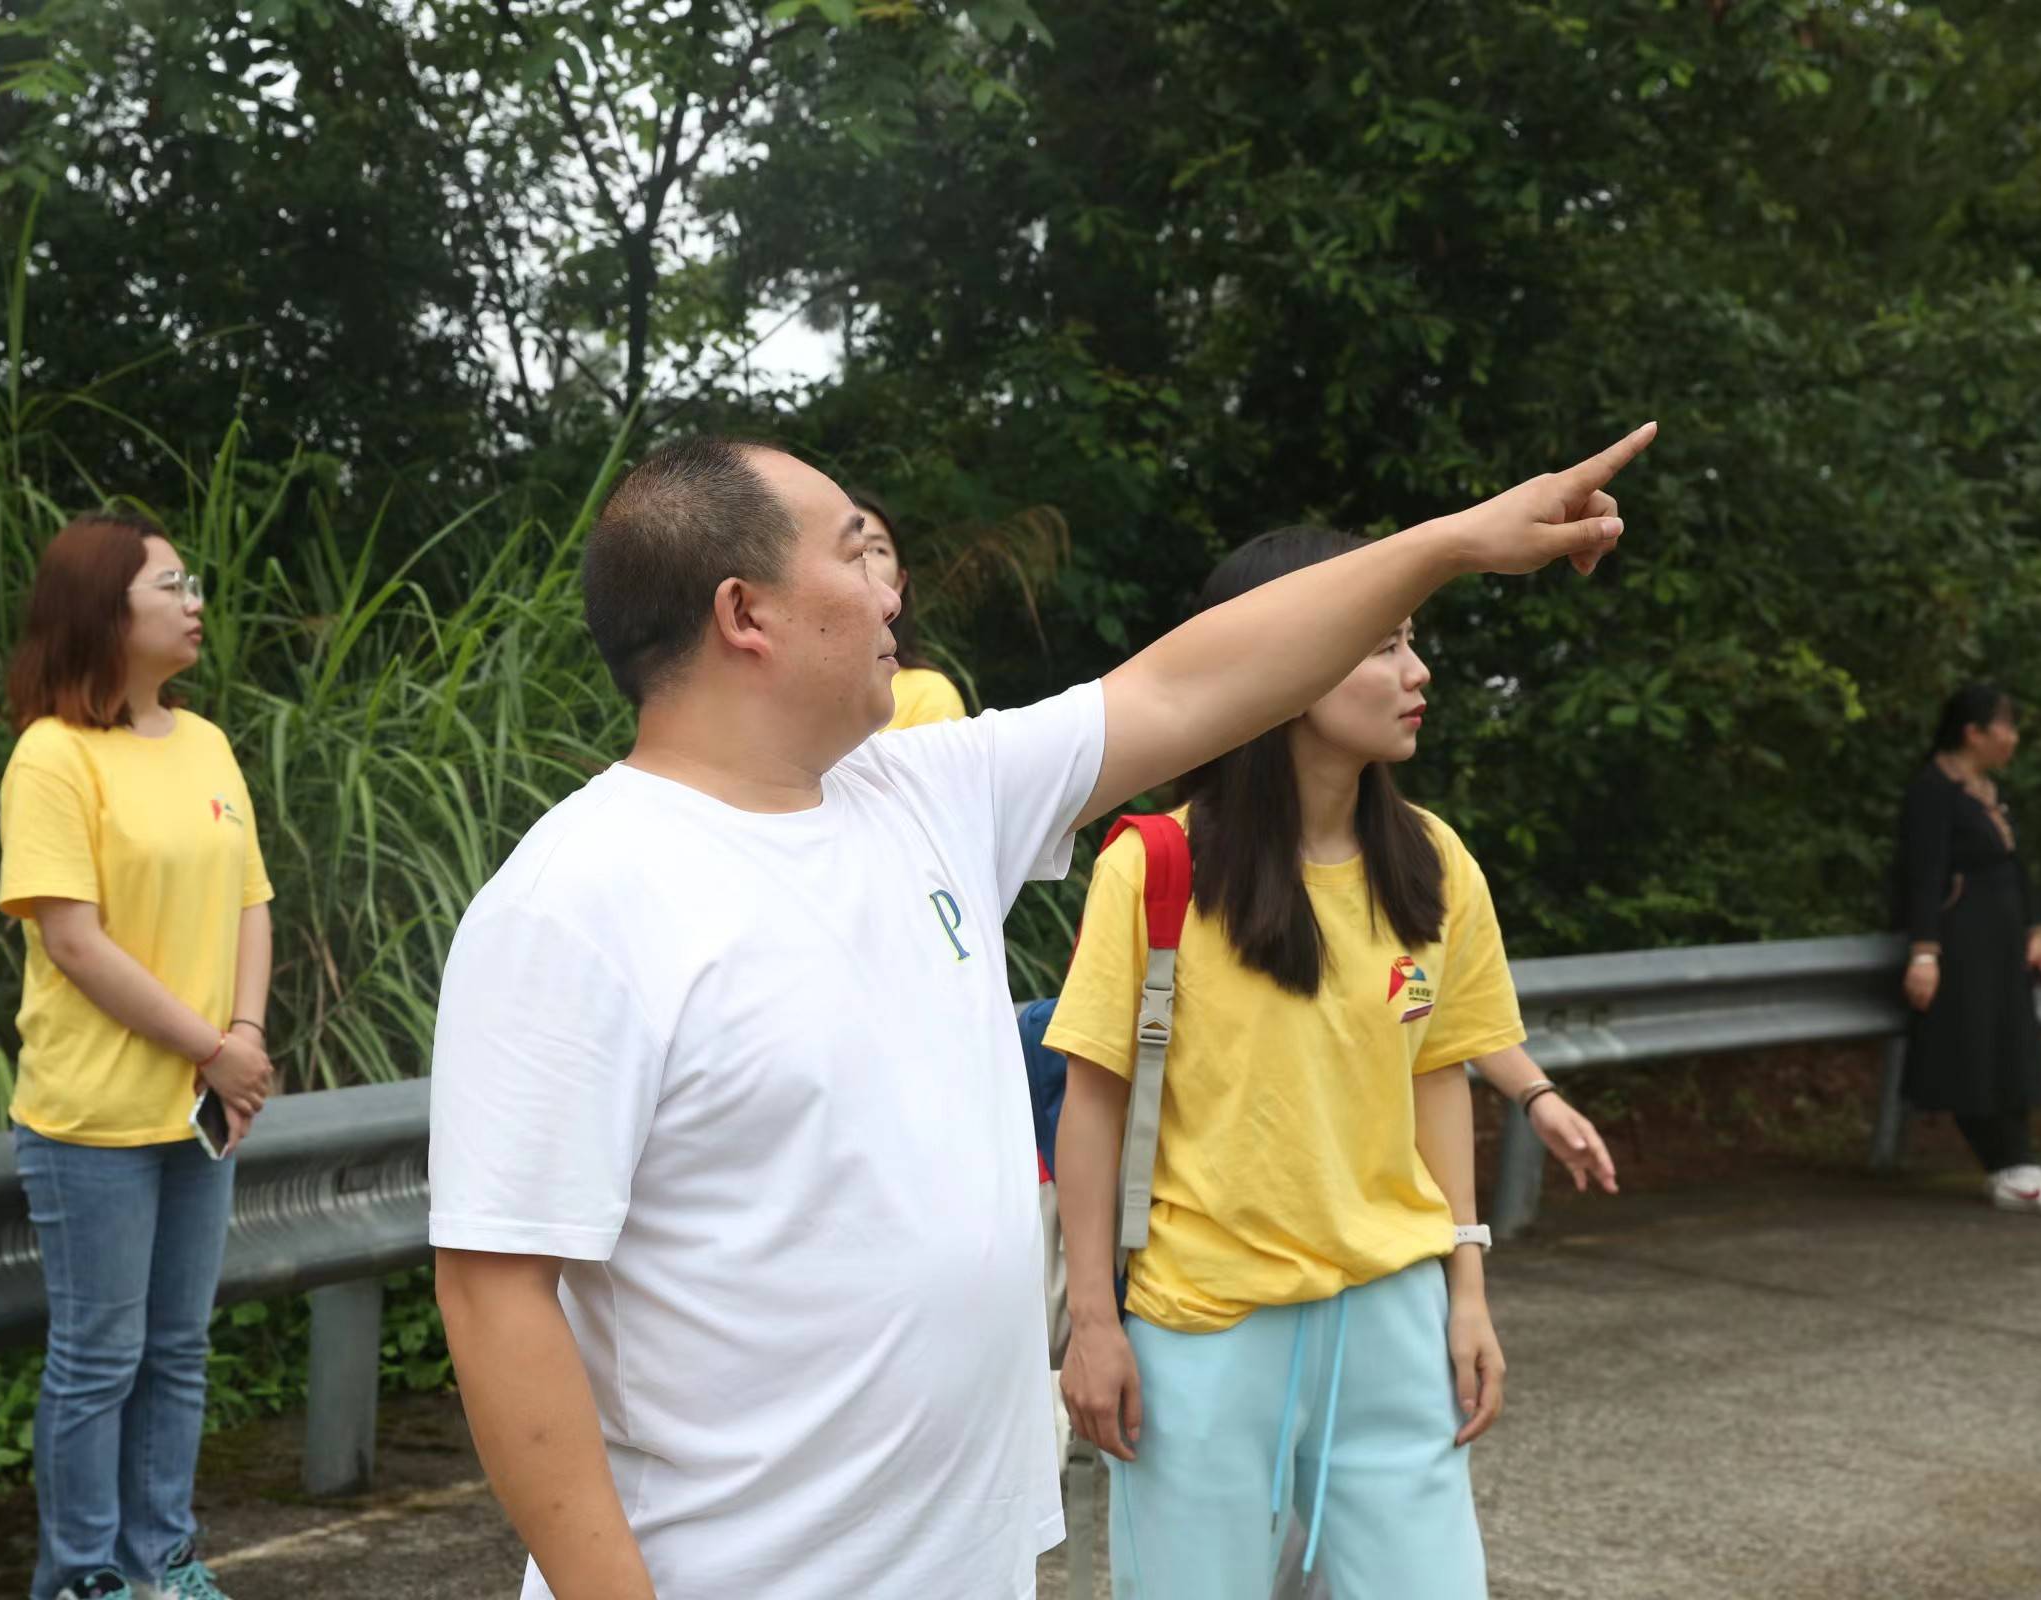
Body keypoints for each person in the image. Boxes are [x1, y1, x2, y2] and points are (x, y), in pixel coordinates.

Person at [428, 424, 1654, 1600]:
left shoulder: (927, 796)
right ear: (744, 614)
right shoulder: (576, 900)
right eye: (856, 552)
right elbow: (496, 1294)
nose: (891, 587)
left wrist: (1452, 543)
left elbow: (1194, 681)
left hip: (967, 1567)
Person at [1048, 529, 1605, 1600]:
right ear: (1285, 663)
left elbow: (1436, 1079)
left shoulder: (1434, 862)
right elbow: (1094, 1104)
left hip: (1392, 1304)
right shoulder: (1156, 867)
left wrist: (1467, 1292)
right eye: (1382, 643)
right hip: (1204, 1323)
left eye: (1413, 642)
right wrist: (1092, 1325)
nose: (1417, 671)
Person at [0, 510, 279, 1600]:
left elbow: (253, 898)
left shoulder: (205, 742)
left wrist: (241, 1041)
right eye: (173, 584)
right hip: (94, 1118)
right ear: (105, 610)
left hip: (202, 1109)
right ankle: (82, 1579)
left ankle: (164, 1560)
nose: (195, 599)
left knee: (179, 1351)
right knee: (98, 1361)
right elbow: (72, 939)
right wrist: (215, 1047)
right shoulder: (53, 756)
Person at [1895, 683, 2041, 1215]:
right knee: (1971, 1050)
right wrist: (1925, 952)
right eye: (2007, 726)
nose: (2014, 738)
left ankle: (2020, 1163)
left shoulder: (1988, 792)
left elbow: (2015, 866)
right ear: (1973, 732)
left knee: (2009, 1047)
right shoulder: (1932, 790)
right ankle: (2010, 1167)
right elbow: (1923, 875)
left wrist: (2035, 928)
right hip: (1962, 943)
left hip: (2003, 945)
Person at [848, 486, 970, 729]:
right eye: (850, 547)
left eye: (877, 549)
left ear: (900, 582)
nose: (864, 560)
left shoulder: (930, 694)